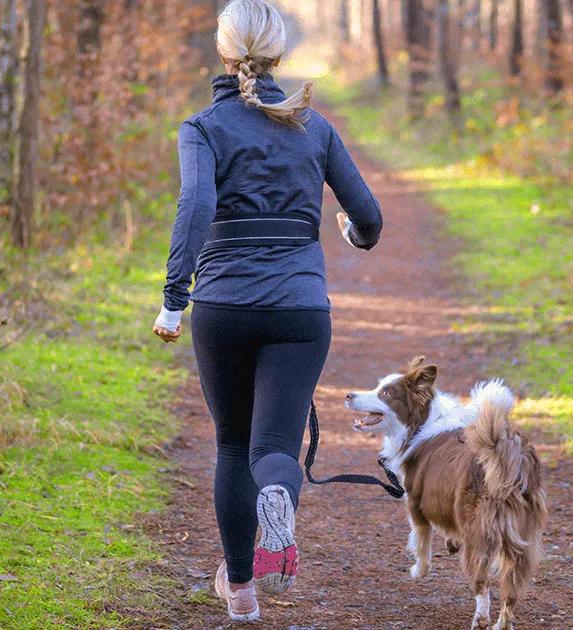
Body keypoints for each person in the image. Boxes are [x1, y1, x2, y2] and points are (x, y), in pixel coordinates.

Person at [150, 0, 383, 622]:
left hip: (223, 305)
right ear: (277, 53)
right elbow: (370, 218)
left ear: (225, 53)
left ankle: (243, 593)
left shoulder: (202, 127)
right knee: (271, 447)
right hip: (299, 309)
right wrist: (353, 236)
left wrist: (174, 299)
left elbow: (195, 207)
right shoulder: (315, 126)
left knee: (230, 445)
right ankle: (279, 492)